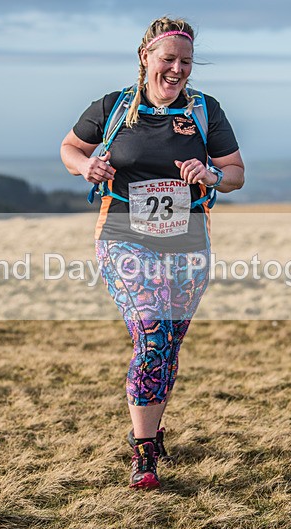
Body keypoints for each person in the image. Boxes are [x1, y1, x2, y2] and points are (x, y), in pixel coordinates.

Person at [60, 16, 245, 490]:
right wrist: (87, 166)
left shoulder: (205, 110)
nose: (178, 69)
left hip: (188, 244)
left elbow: (236, 173)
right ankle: (143, 452)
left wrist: (210, 176)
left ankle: (152, 432)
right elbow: (69, 148)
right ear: (146, 58)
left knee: (167, 343)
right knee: (151, 329)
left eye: (185, 61)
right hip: (124, 237)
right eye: (169, 59)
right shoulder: (113, 106)